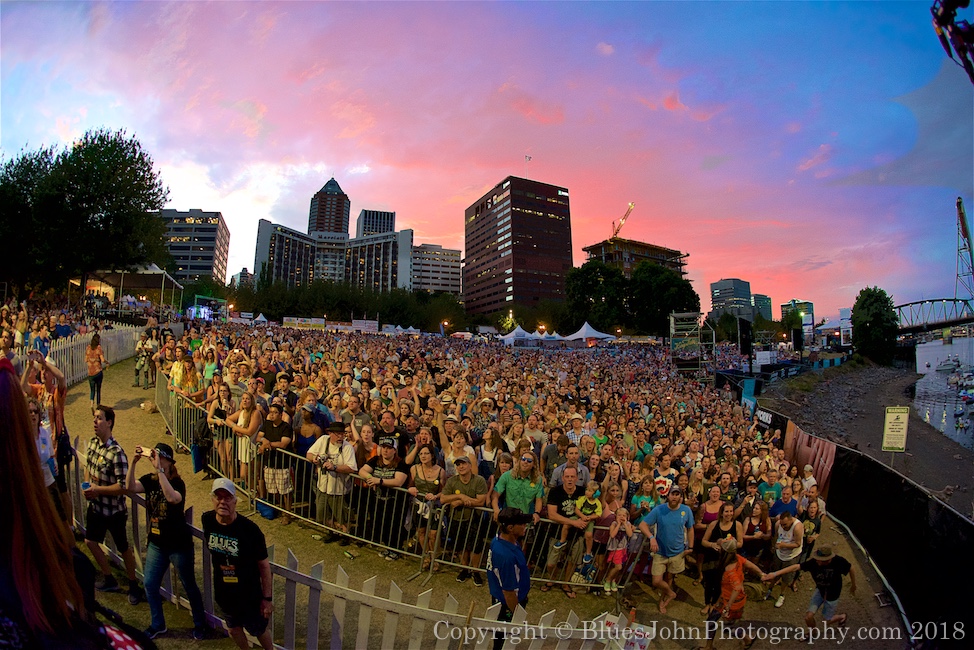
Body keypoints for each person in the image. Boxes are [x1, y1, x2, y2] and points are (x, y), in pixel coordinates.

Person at [126, 443, 206, 640]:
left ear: (169, 462)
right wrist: (133, 463)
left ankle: (200, 624)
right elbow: (129, 487)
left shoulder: (178, 483)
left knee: (189, 585)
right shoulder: (150, 480)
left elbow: (172, 498)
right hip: (157, 544)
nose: (157, 459)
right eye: (155, 455)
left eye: (161, 457)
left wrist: (160, 471)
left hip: (179, 544)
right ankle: (158, 624)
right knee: (150, 584)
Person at [202, 478, 274, 650]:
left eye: (227, 498)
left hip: (249, 595)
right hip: (224, 592)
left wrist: (267, 599)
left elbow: (264, 566)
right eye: (218, 497)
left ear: (235, 501)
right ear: (212, 499)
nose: (222, 502)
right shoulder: (207, 520)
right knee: (233, 629)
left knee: (258, 629)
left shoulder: (250, 530)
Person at [83, 405, 143, 604]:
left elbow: (123, 486)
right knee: (90, 541)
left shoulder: (117, 453)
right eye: (94, 418)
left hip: (114, 511)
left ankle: (133, 584)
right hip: (97, 507)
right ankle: (109, 578)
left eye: (99, 418)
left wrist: (97, 489)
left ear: (109, 423)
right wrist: (87, 486)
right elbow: (88, 466)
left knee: (123, 548)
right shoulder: (92, 443)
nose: (95, 421)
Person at [765, 545, 856, 627]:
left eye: (820, 560)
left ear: (828, 559)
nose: (817, 561)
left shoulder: (838, 561)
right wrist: (775, 574)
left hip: (833, 594)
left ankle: (842, 616)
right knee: (808, 617)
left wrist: (853, 585)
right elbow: (796, 567)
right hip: (820, 590)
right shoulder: (814, 562)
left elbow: (851, 568)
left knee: (827, 621)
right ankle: (812, 632)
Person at [636, 485, 694, 614]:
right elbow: (642, 524)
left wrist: (690, 547)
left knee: (669, 578)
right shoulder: (659, 510)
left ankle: (663, 601)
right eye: (672, 494)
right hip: (660, 552)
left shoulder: (686, 511)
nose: (674, 497)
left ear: (680, 497)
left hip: (677, 552)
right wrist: (651, 537)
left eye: (677, 494)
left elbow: (690, 529)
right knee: (656, 581)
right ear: (668, 496)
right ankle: (671, 593)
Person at [701, 538, 764, 650]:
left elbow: (737, 588)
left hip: (732, 603)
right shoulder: (737, 558)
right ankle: (708, 647)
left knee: (728, 628)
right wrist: (761, 573)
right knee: (711, 621)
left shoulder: (730, 570)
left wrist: (728, 607)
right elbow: (749, 564)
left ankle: (747, 639)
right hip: (726, 599)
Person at [486, 508, 532, 650]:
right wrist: (517, 613)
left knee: (502, 634)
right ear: (511, 528)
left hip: (503, 599)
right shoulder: (506, 556)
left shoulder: (500, 540)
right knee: (504, 636)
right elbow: (508, 591)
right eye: (522, 524)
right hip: (507, 603)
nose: (525, 526)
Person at [440, 456, 489, 584]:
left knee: (475, 547)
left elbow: (481, 501)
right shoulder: (452, 481)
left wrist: (461, 502)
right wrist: (460, 496)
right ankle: (464, 569)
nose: (461, 467)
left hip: (474, 519)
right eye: (458, 464)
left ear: (470, 466)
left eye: (463, 464)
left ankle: (475, 571)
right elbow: (443, 499)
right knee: (460, 546)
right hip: (456, 518)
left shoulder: (479, 480)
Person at [308, 422, 358, 543]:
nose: (341, 437)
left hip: (339, 489)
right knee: (322, 513)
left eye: (343, 434)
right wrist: (314, 459)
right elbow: (309, 454)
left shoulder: (347, 447)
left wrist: (334, 467)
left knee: (341, 516)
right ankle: (332, 532)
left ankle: (345, 535)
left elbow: (352, 468)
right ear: (330, 433)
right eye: (338, 434)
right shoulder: (323, 440)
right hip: (323, 486)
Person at [359, 437, 409, 560]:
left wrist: (379, 481)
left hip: (395, 501)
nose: (386, 451)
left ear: (395, 450)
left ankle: (395, 549)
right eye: (384, 448)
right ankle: (387, 547)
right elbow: (362, 471)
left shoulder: (401, 464)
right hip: (378, 499)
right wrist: (371, 478)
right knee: (381, 524)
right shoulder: (376, 460)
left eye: (389, 448)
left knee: (394, 526)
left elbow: (398, 481)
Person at [700, 501, 744, 617]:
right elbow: (704, 541)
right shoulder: (714, 524)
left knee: (720, 583)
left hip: (726, 560)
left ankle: (714, 603)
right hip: (712, 558)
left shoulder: (737, 525)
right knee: (708, 582)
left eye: (731, 511)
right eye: (726, 511)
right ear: (721, 513)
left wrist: (730, 544)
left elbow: (740, 543)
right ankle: (707, 603)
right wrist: (712, 545)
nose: (729, 514)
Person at [255, 404, 294, 523]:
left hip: (282, 464)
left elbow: (283, 444)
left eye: (275, 412)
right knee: (273, 489)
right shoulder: (266, 424)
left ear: (281, 415)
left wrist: (268, 444)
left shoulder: (286, 427)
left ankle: (287, 513)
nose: (271, 414)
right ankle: (281, 508)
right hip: (269, 462)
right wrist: (264, 441)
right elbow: (258, 437)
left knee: (285, 490)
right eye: (270, 412)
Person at [765, 509, 804, 608]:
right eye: (782, 524)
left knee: (786, 578)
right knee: (774, 572)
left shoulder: (797, 527)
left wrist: (783, 545)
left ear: (791, 520)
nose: (783, 526)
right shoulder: (778, 524)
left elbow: (798, 544)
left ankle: (782, 595)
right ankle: (770, 589)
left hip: (791, 556)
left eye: (785, 525)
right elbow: (776, 536)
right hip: (779, 553)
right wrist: (774, 546)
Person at [603, 508, 634, 593]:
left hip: (623, 548)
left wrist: (625, 524)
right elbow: (612, 535)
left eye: (624, 515)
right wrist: (618, 524)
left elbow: (630, 534)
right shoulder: (614, 523)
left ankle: (613, 581)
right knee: (618, 567)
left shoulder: (627, 523)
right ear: (616, 516)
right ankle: (608, 580)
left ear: (627, 517)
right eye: (619, 515)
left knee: (619, 568)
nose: (621, 517)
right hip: (615, 549)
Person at [85, 333, 108, 414]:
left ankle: (91, 403)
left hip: (90, 372)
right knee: (98, 389)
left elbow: (85, 359)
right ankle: (98, 405)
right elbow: (102, 359)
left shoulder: (88, 348)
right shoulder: (99, 348)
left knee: (92, 390)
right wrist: (106, 362)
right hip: (98, 371)